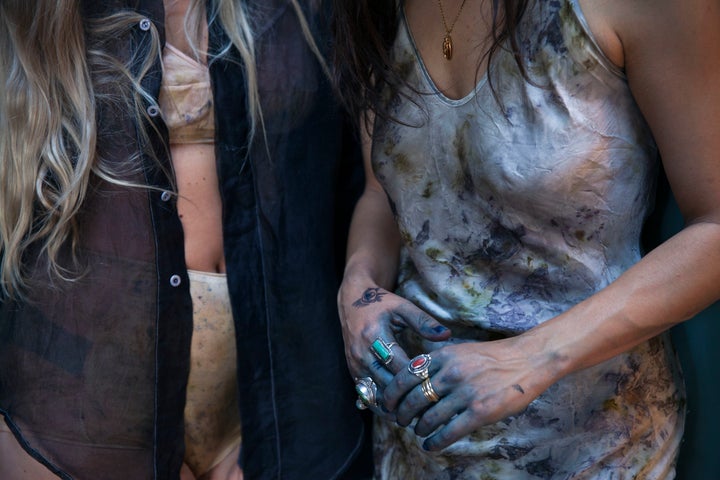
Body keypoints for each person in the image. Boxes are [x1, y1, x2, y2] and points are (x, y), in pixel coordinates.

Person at [332, 0, 720, 478]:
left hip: (590, 446)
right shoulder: (377, 11)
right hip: (418, 439)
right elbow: (384, 190)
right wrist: (359, 284)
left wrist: (528, 357)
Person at [0, 0, 367, 479]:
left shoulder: (292, 13)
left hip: (269, 400)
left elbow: (355, 181)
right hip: (83, 414)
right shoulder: (41, 18)